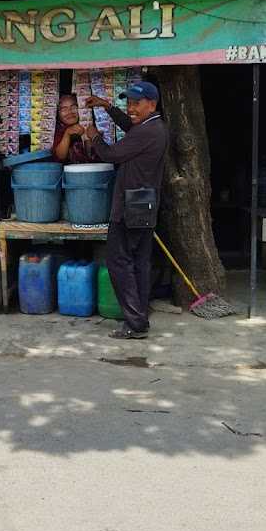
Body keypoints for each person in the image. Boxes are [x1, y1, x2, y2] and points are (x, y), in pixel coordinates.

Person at [84, 80, 169, 340]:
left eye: (137, 103)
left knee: (119, 262)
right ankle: (140, 317)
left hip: (130, 205)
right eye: (129, 103)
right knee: (139, 263)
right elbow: (129, 126)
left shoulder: (147, 132)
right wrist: (108, 107)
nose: (131, 108)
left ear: (152, 104)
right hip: (144, 201)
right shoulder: (150, 126)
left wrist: (94, 137)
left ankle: (135, 323)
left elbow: (111, 155)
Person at [52, 94, 91, 164]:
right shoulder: (55, 130)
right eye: (64, 109)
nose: (70, 112)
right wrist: (67, 134)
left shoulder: (87, 124)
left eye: (73, 107)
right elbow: (60, 156)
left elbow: (91, 156)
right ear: (58, 113)